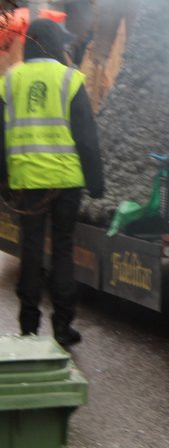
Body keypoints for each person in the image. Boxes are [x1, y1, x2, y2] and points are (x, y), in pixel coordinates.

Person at [0, 19, 104, 348]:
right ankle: (63, 326)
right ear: (57, 45)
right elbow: (87, 139)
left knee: (30, 253)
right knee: (61, 251)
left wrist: (2, 181)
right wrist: (96, 182)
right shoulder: (70, 81)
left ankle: (29, 327)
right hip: (65, 184)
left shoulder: (9, 81)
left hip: (26, 182)